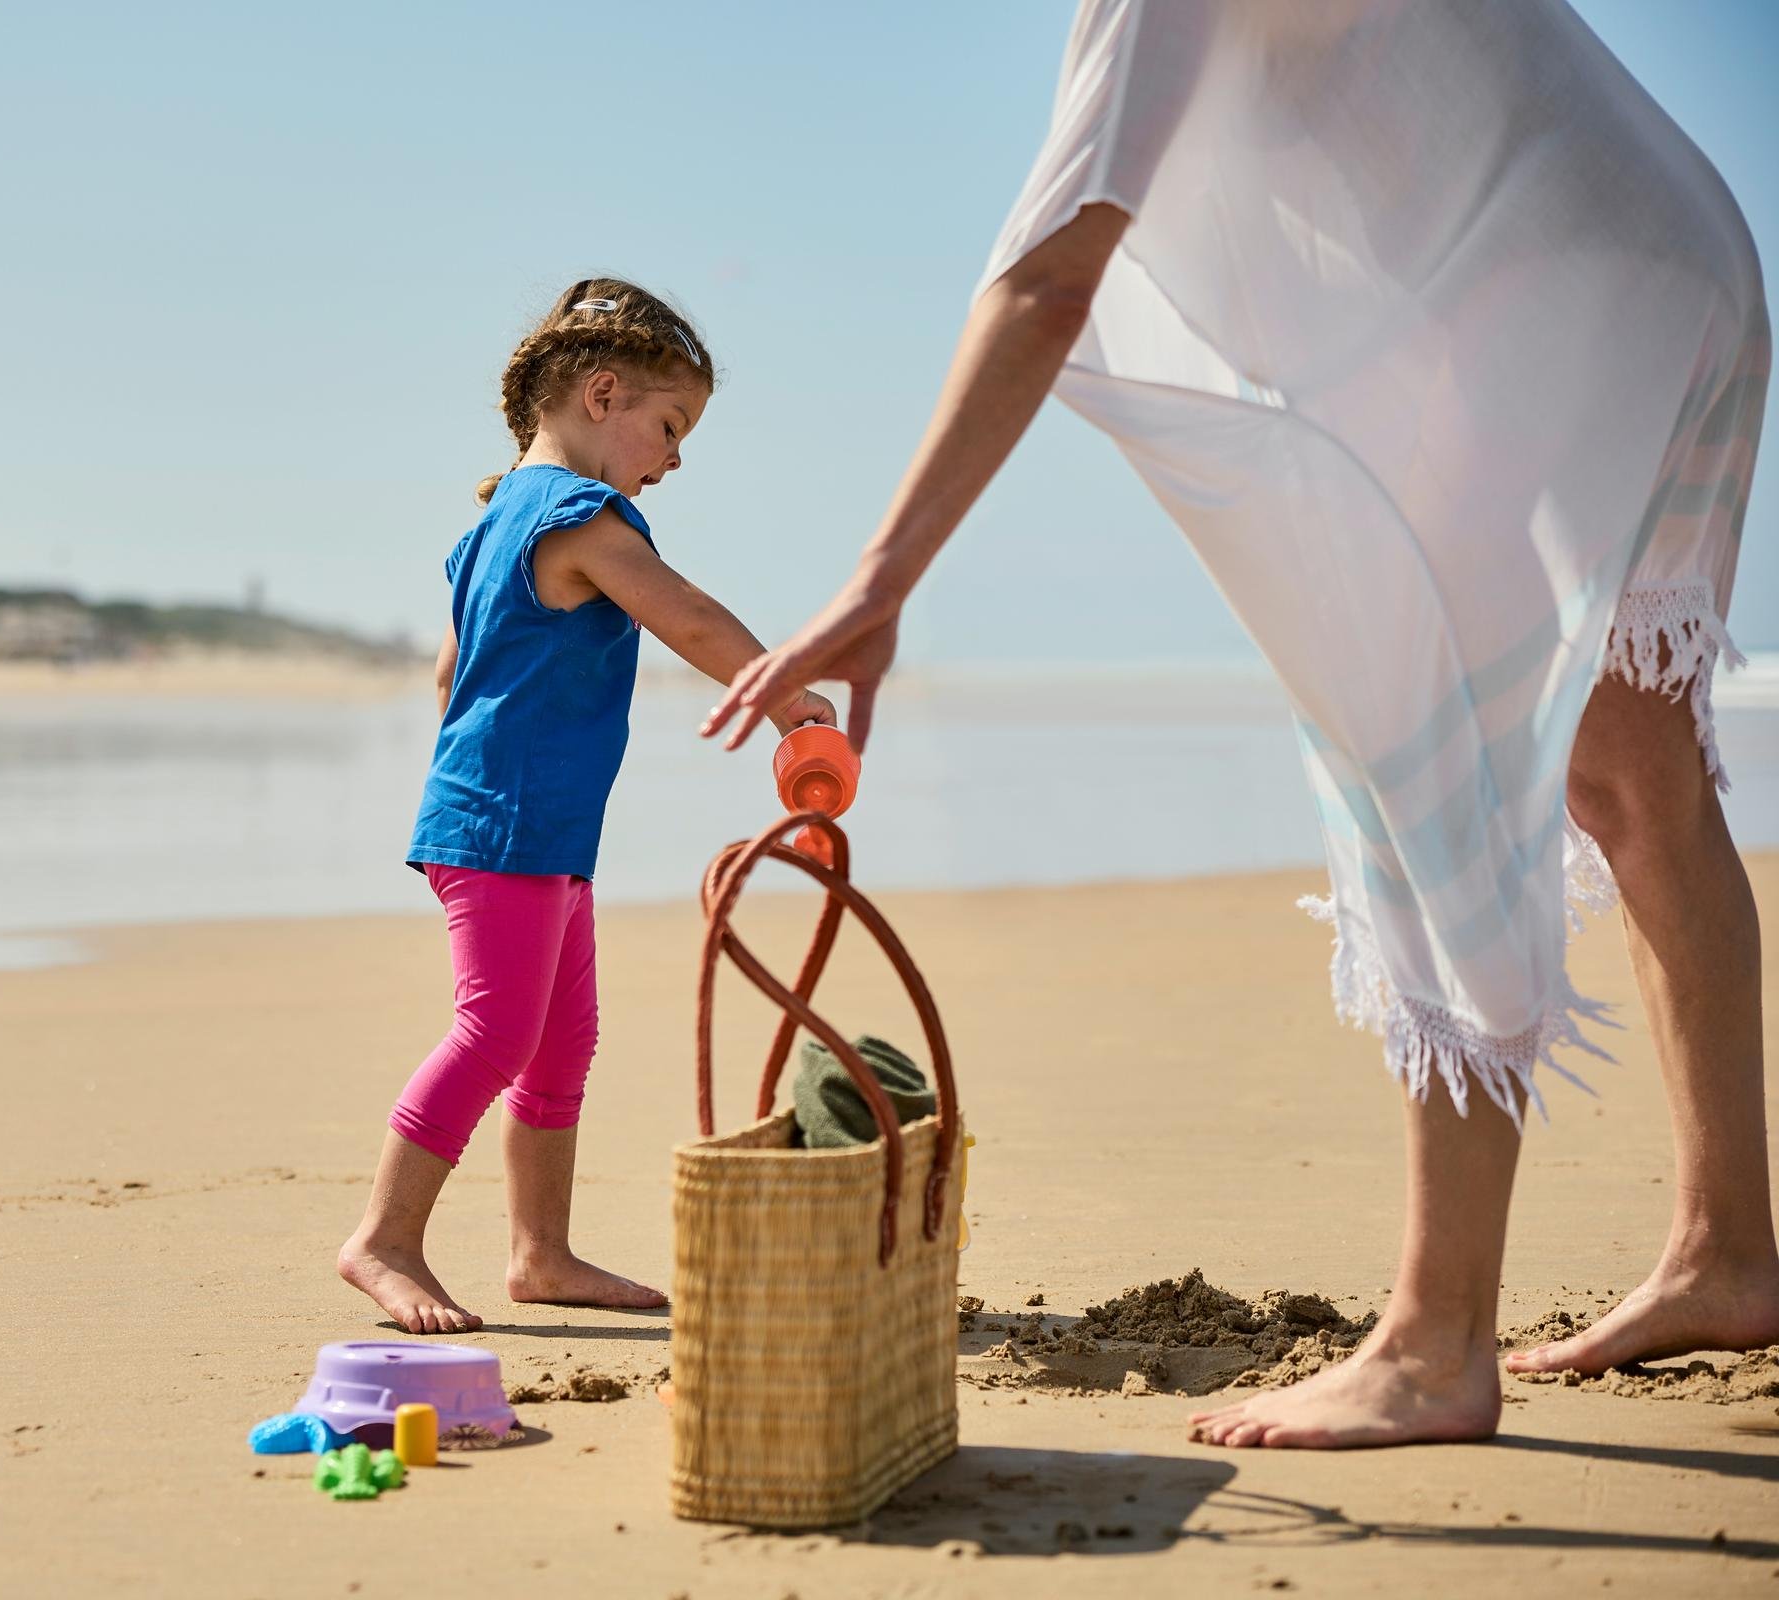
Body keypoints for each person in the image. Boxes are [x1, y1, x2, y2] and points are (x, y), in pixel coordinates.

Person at [702, 0, 1773, 1447]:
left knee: (1417, 720)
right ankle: (1730, 1252)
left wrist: (881, 582)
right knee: (1637, 770)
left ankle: (1434, 1339)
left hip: (1552, 297)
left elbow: (1049, 276)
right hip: (1676, 250)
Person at [340, 279, 838, 1334]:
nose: (674, 457)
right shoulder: (581, 519)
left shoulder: (491, 525)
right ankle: (383, 1240)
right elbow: (687, 617)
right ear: (603, 394)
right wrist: (789, 701)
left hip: (532, 825)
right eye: (671, 425)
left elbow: (448, 675)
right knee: (496, 1030)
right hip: (508, 825)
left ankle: (541, 1252)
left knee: (562, 1042)